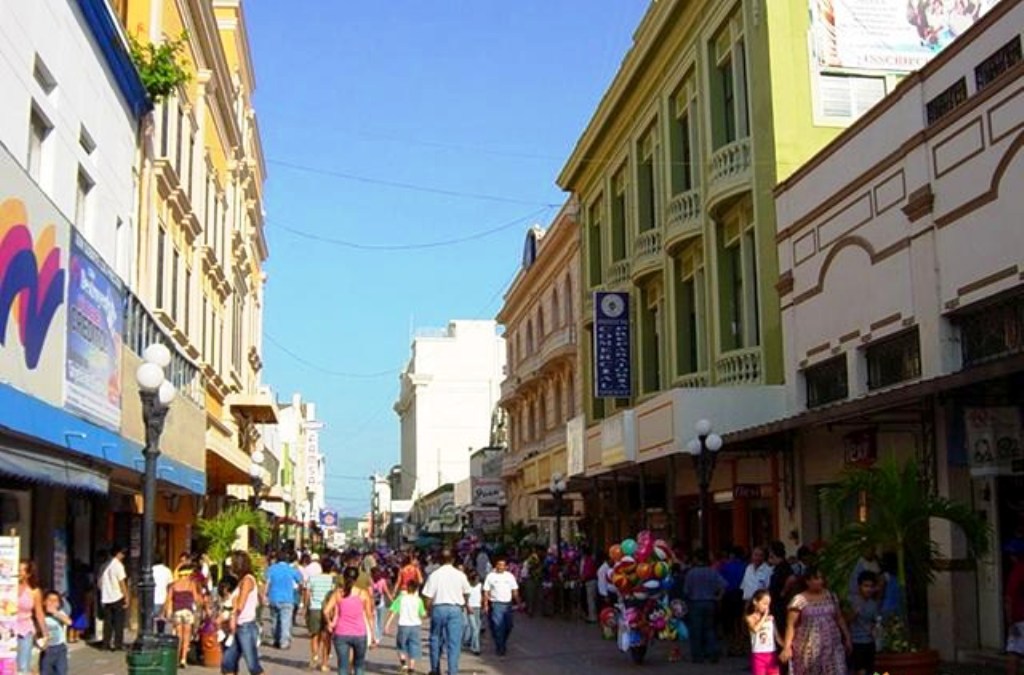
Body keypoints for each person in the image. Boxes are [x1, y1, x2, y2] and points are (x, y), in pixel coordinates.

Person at [780, 565, 851, 675]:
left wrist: (847, 638)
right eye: (817, 578)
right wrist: (787, 647)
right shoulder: (799, 600)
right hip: (808, 650)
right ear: (808, 581)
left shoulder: (831, 596)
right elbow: (790, 625)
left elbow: (839, 618)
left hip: (832, 647)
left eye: (821, 578)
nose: (820, 581)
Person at [422, 548, 471, 675]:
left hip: (438, 608)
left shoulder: (434, 575)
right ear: (453, 560)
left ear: (439, 560)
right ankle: (453, 671)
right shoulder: (460, 575)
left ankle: (435, 669)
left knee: (435, 639)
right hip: (455, 609)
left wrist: (428, 610)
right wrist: (463, 604)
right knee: (454, 642)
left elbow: (428, 597)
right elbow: (466, 592)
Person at [323, 567, 374, 675]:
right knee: (359, 666)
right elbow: (370, 616)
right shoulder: (363, 594)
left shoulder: (338, 593)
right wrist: (373, 635)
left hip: (341, 633)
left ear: (344, 578)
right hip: (360, 634)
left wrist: (329, 623)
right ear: (357, 578)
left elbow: (326, 611)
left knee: (342, 666)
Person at [221, 550, 264, 675]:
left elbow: (240, 605)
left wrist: (232, 614)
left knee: (253, 665)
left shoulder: (247, 580)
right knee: (228, 663)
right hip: (240, 625)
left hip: (245, 626)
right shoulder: (242, 580)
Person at [682, 549, 727, 664]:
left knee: (696, 631)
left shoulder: (691, 573)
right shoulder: (712, 572)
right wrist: (719, 597)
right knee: (710, 629)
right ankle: (712, 653)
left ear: (696, 559)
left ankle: (697, 656)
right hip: (710, 602)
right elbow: (724, 585)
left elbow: (686, 591)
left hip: (695, 603)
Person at [385, 580, 427, 674]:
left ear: (407, 588)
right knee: (414, 646)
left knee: (401, 646)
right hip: (415, 626)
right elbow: (423, 614)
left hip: (403, 625)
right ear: (416, 589)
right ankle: (411, 668)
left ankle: (403, 663)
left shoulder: (401, 598)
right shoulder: (418, 600)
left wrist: (387, 625)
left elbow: (393, 612)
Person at [166, 563, 202, 667]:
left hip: (177, 611)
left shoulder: (174, 585)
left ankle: (176, 658)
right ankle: (183, 659)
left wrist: (168, 611)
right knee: (187, 636)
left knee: (178, 636)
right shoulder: (191, 584)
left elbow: (169, 600)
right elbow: (196, 599)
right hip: (188, 611)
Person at [265, 551, 303, 649]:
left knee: (274, 620)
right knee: (285, 621)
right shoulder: (290, 569)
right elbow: (300, 580)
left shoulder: (271, 569)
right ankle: (284, 642)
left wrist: (265, 595)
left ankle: (276, 639)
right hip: (287, 598)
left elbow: (267, 583)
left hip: (273, 597)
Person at [482, 557, 519, 657]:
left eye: (503, 565)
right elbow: (486, 591)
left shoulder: (510, 576)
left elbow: (514, 590)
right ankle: (500, 647)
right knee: (498, 626)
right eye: (499, 565)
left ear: (506, 566)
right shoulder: (491, 576)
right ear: (496, 565)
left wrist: (518, 602)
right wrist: (485, 604)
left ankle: (502, 641)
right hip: (496, 604)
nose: (501, 567)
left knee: (509, 626)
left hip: (508, 604)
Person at [15, 560, 46, 675]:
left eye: (21, 570)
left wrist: (45, 633)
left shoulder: (34, 592)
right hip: (6, 629)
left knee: (23, 666)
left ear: (28, 574)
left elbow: (39, 613)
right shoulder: (7, 587)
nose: (18, 572)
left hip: (25, 629)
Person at [847, 571, 880, 675]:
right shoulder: (851, 601)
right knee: (860, 671)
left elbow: (875, 622)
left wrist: (875, 630)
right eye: (866, 586)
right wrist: (854, 613)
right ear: (859, 586)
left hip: (869, 643)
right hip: (856, 642)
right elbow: (844, 621)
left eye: (871, 586)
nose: (868, 589)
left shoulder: (873, 604)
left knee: (870, 671)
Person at [307, 558, 337, 671]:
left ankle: (315, 656)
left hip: (314, 608)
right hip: (328, 610)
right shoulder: (333, 581)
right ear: (331, 568)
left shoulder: (313, 578)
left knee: (314, 635)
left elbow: (308, 594)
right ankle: (324, 663)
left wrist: (306, 607)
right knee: (327, 637)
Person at [98, 546, 128, 652]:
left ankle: (105, 643)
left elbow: (99, 583)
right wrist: (126, 596)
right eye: (123, 554)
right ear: (118, 554)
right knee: (119, 622)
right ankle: (117, 644)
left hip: (106, 597)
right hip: (117, 596)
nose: (124, 556)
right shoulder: (118, 566)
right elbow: (122, 583)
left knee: (108, 622)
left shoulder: (104, 566)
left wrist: (104, 591)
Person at [745, 589, 782, 675]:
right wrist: (764, 617)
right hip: (758, 654)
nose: (766, 607)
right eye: (764, 603)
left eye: (768, 604)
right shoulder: (750, 617)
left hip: (771, 653)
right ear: (755, 602)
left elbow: (777, 636)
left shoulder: (771, 619)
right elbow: (755, 629)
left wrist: (786, 646)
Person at [38, 590, 71, 675]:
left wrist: (55, 612)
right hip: (47, 649)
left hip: (60, 648)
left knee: (61, 671)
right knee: (45, 671)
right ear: (44, 602)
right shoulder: (42, 615)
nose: (52, 603)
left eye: (55, 601)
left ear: (59, 604)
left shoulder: (59, 613)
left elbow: (69, 622)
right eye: (49, 600)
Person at [1004, 539, 1024, 675]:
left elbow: (1009, 599)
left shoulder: (1016, 572)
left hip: (1019, 618)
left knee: (1013, 652)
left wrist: (1010, 622)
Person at [151, 556, 174, 634]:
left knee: (151, 620)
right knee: (161, 619)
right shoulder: (167, 570)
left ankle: (151, 635)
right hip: (163, 597)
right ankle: (160, 634)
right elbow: (171, 585)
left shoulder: (151, 570)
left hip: (152, 598)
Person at [580, 546, 598, 623]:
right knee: (590, 599)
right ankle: (591, 615)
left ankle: (592, 617)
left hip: (590, 581)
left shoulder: (588, 561)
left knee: (590, 599)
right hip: (590, 581)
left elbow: (588, 573)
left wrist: (583, 578)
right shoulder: (590, 560)